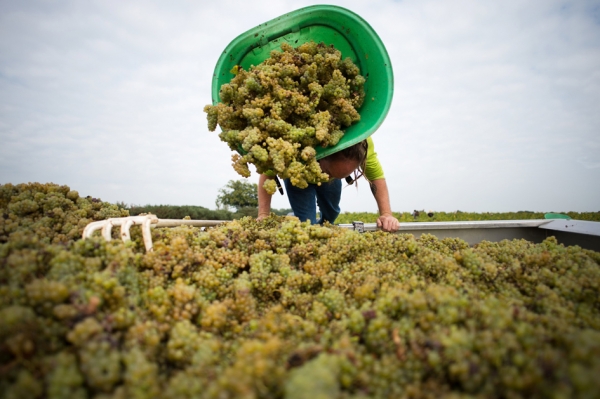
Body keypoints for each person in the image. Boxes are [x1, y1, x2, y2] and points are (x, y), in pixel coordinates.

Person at [257, 136, 400, 232]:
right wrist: (263, 214)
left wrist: (386, 214)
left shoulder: (364, 145)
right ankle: (296, 217)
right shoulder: (293, 143)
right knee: (306, 224)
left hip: (331, 171)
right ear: (322, 153)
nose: (326, 178)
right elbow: (267, 172)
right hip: (298, 175)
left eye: (334, 175)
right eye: (327, 172)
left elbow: (377, 179)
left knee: (331, 213)